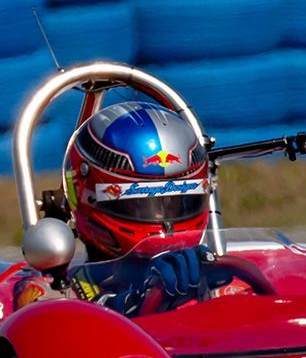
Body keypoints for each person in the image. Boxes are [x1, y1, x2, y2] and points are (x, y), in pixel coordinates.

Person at [57, 101, 219, 316]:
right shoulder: (57, 294)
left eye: (176, 204)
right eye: (141, 206)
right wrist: (135, 304)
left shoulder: (229, 280)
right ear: (84, 195)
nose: (162, 219)